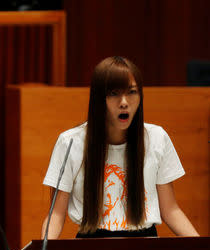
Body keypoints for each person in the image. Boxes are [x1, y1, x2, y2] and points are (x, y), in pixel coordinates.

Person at [41, 56, 199, 238]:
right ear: (99, 99)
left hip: (145, 247)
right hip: (91, 246)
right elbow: (56, 215)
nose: (124, 102)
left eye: (132, 92)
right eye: (114, 93)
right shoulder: (70, 142)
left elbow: (171, 210)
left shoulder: (156, 138)